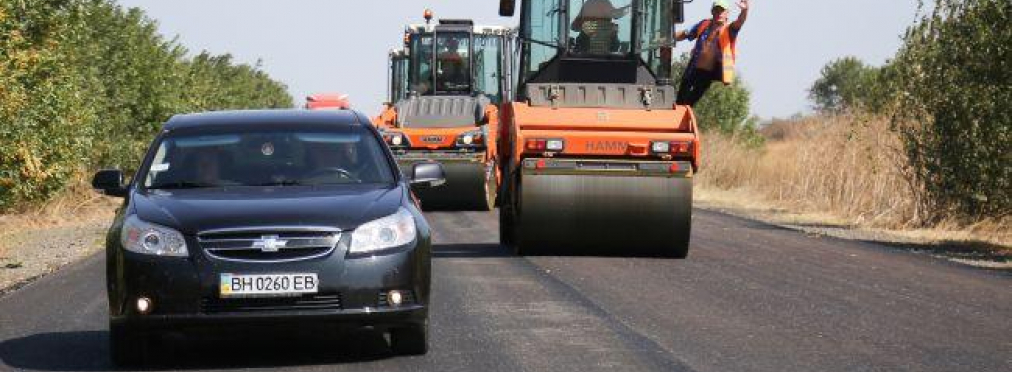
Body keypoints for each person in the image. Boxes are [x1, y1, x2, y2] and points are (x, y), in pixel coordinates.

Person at [675, 0, 749, 107]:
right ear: (712, 12)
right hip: (693, 68)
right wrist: (667, 38)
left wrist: (745, 11)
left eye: (722, 11)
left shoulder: (729, 30)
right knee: (680, 101)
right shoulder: (704, 25)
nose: (719, 13)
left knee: (689, 102)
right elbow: (685, 34)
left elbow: (740, 22)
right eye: (716, 10)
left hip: (708, 73)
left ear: (727, 13)